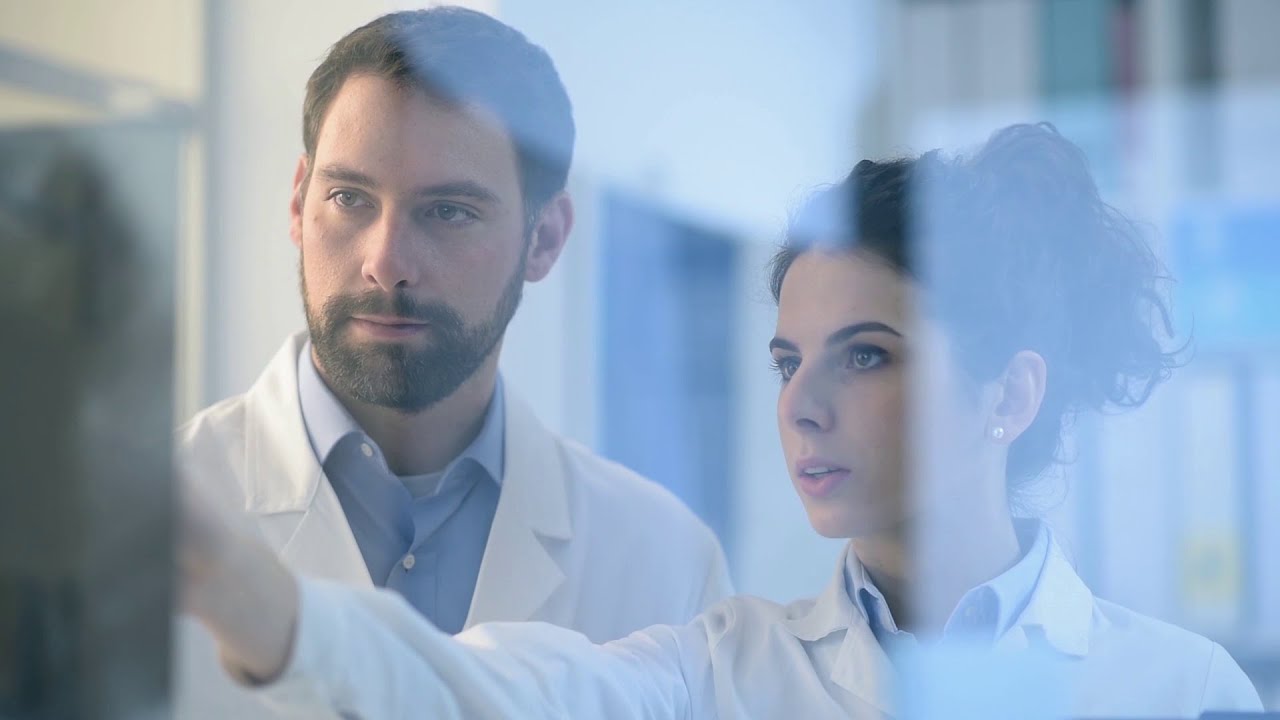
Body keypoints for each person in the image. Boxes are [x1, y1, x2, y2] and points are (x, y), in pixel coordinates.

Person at [180, 123, 1263, 718]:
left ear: (1009, 395)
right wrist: (251, 595)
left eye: (866, 355)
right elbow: (491, 690)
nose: (802, 402)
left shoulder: (1175, 692)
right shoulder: (720, 675)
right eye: (787, 360)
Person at [175, 7, 731, 717]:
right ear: (298, 199)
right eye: (349, 198)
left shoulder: (665, 564)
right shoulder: (145, 523)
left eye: (449, 212)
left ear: (545, 238)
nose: (386, 263)